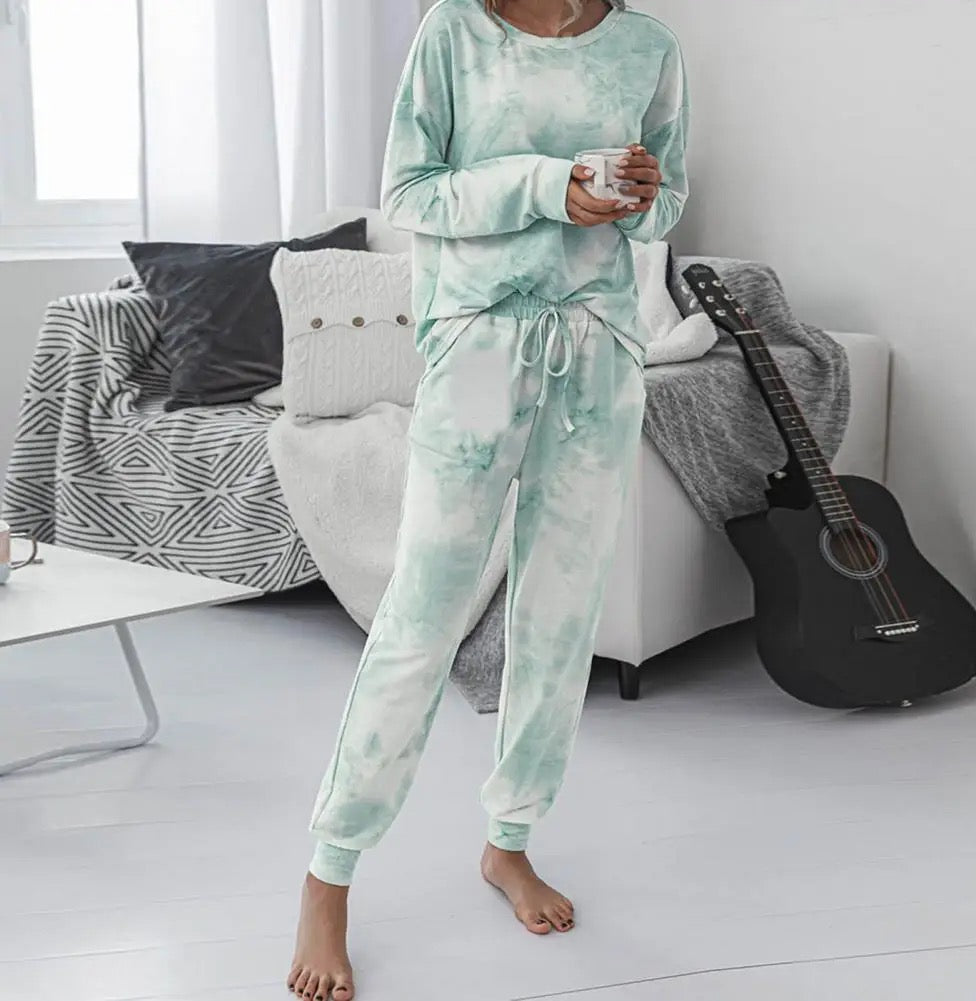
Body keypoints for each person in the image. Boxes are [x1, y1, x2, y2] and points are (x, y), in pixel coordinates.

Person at [288, 1, 688, 997]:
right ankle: (329, 873)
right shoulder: (453, 33)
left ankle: (509, 839)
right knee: (421, 613)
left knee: (560, 612)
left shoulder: (646, 46)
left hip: (598, 352)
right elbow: (409, 193)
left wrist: (640, 197)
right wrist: (550, 187)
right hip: (476, 345)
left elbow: (666, 200)